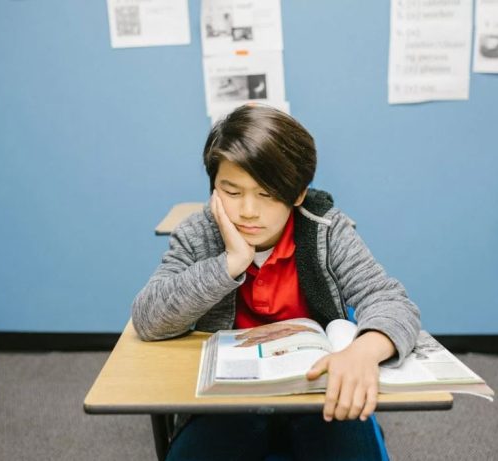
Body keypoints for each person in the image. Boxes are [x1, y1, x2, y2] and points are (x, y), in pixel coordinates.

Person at [132, 104, 421, 460]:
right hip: (229, 401)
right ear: (213, 188)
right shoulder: (199, 233)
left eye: (267, 194)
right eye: (232, 192)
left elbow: (390, 300)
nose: (248, 211)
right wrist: (230, 263)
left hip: (317, 394)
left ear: (298, 193)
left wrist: (364, 351)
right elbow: (147, 318)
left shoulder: (326, 230)